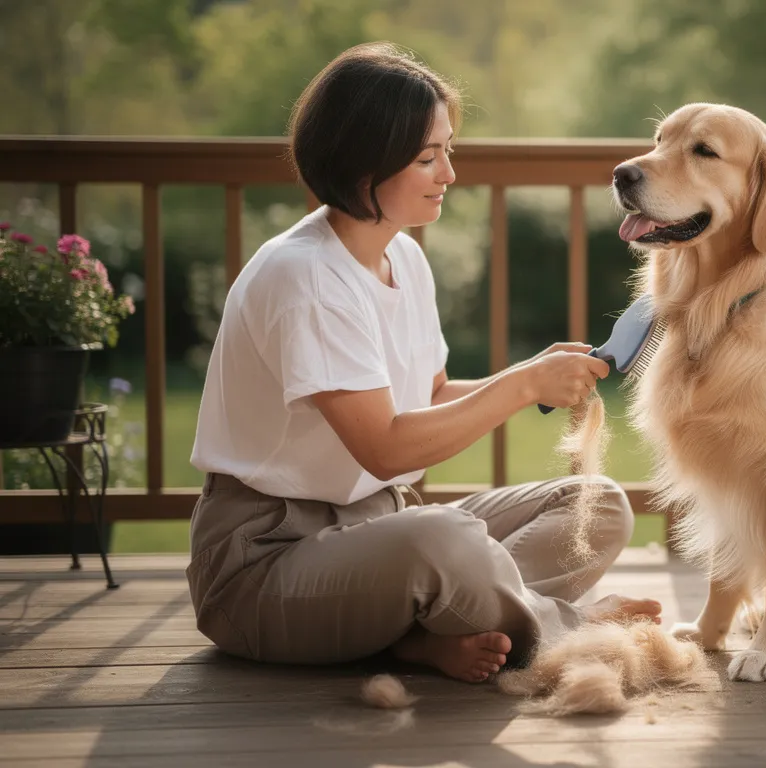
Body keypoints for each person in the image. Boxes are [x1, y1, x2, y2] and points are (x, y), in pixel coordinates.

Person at [186, 42, 661, 683]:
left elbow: (429, 395)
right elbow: (384, 449)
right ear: (363, 168)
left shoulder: (402, 255)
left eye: (447, 150)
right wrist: (521, 387)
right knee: (443, 540)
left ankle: (423, 635)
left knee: (596, 504)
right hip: (263, 562)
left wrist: (532, 374)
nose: (449, 174)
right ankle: (562, 626)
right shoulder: (305, 277)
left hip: (380, 529)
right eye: (426, 157)